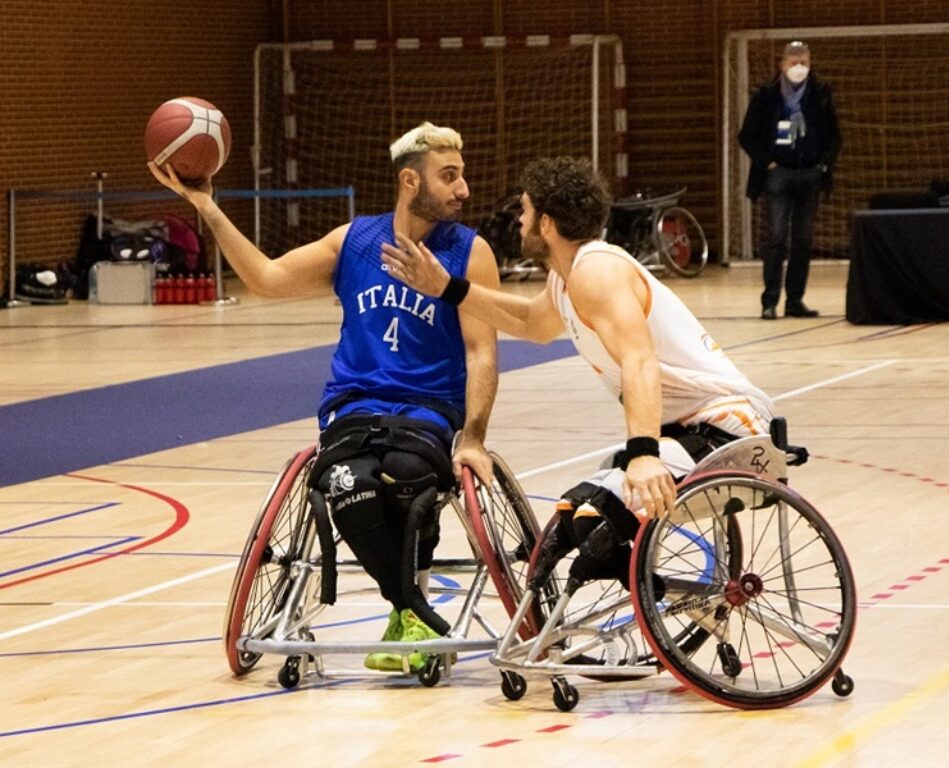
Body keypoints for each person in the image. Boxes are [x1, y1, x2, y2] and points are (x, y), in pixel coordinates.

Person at [150, 122, 500, 672]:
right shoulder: (354, 242)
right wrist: (207, 206)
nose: (464, 189)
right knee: (346, 483)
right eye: (449, 176)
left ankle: (407, 615)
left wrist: (474, 436)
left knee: (408, 474)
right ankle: (410, 609)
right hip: (354, 410)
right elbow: (266, 278)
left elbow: (481, 350)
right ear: (410, 182)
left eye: (462, 176)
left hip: (427, 411)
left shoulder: (469, 252)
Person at [382, 156, 777, 586]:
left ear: (547, 224)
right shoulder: (567, 277)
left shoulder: (597, 270)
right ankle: (649, 604)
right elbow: (532, 323)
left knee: (598, 516)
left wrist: (644, 454)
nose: (520, 220)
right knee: (578, 518)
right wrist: (447, 288)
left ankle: (655, 600)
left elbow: (638, 359)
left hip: (730, 429)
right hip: (688, 431)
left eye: (527, 211)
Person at [739, 40, 841, 320]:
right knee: (776, 237)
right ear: (782, 65)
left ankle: (795, 300)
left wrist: (822, 164)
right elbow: (746, 135)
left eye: (803, 63)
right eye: (793, 62)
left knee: (803, 239)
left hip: (809, 173)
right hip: (778, 174)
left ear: (810, 64)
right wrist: (767, 162)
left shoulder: (820, 94)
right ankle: (769, 300)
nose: (799, 68)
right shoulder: (766, 96)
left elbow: (834, 135)